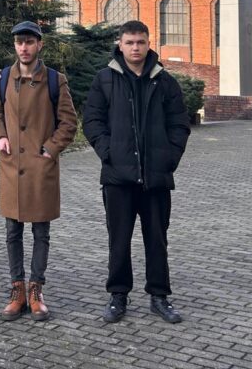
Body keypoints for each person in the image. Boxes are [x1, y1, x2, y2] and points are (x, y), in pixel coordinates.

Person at [82, 19, 191, 324]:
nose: (135, 48)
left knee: (157, 240)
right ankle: (118, 296)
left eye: (140, 42)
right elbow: (92, 121)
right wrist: (108, 153)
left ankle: (159, 296)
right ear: (120, 44)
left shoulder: (164, 81)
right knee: (119, 240)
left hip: (156, 178)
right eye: (129, 42)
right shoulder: (105, 79)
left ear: (148, 44)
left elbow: (179, 124)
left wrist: (169, 158)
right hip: (118, 178)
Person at [0, 20, 77, 321]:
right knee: (12, 232)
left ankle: (36, 290)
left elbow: (69, 122)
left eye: (29, 42)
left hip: (41, 167)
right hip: (12, 165)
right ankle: (17, 289)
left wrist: (50, 149)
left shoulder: (55, 79)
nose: (24, 48)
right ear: (14, 46)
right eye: (19, 42)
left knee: (41, 232)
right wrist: (0, 136)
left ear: (39, 44)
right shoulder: (3, 77)